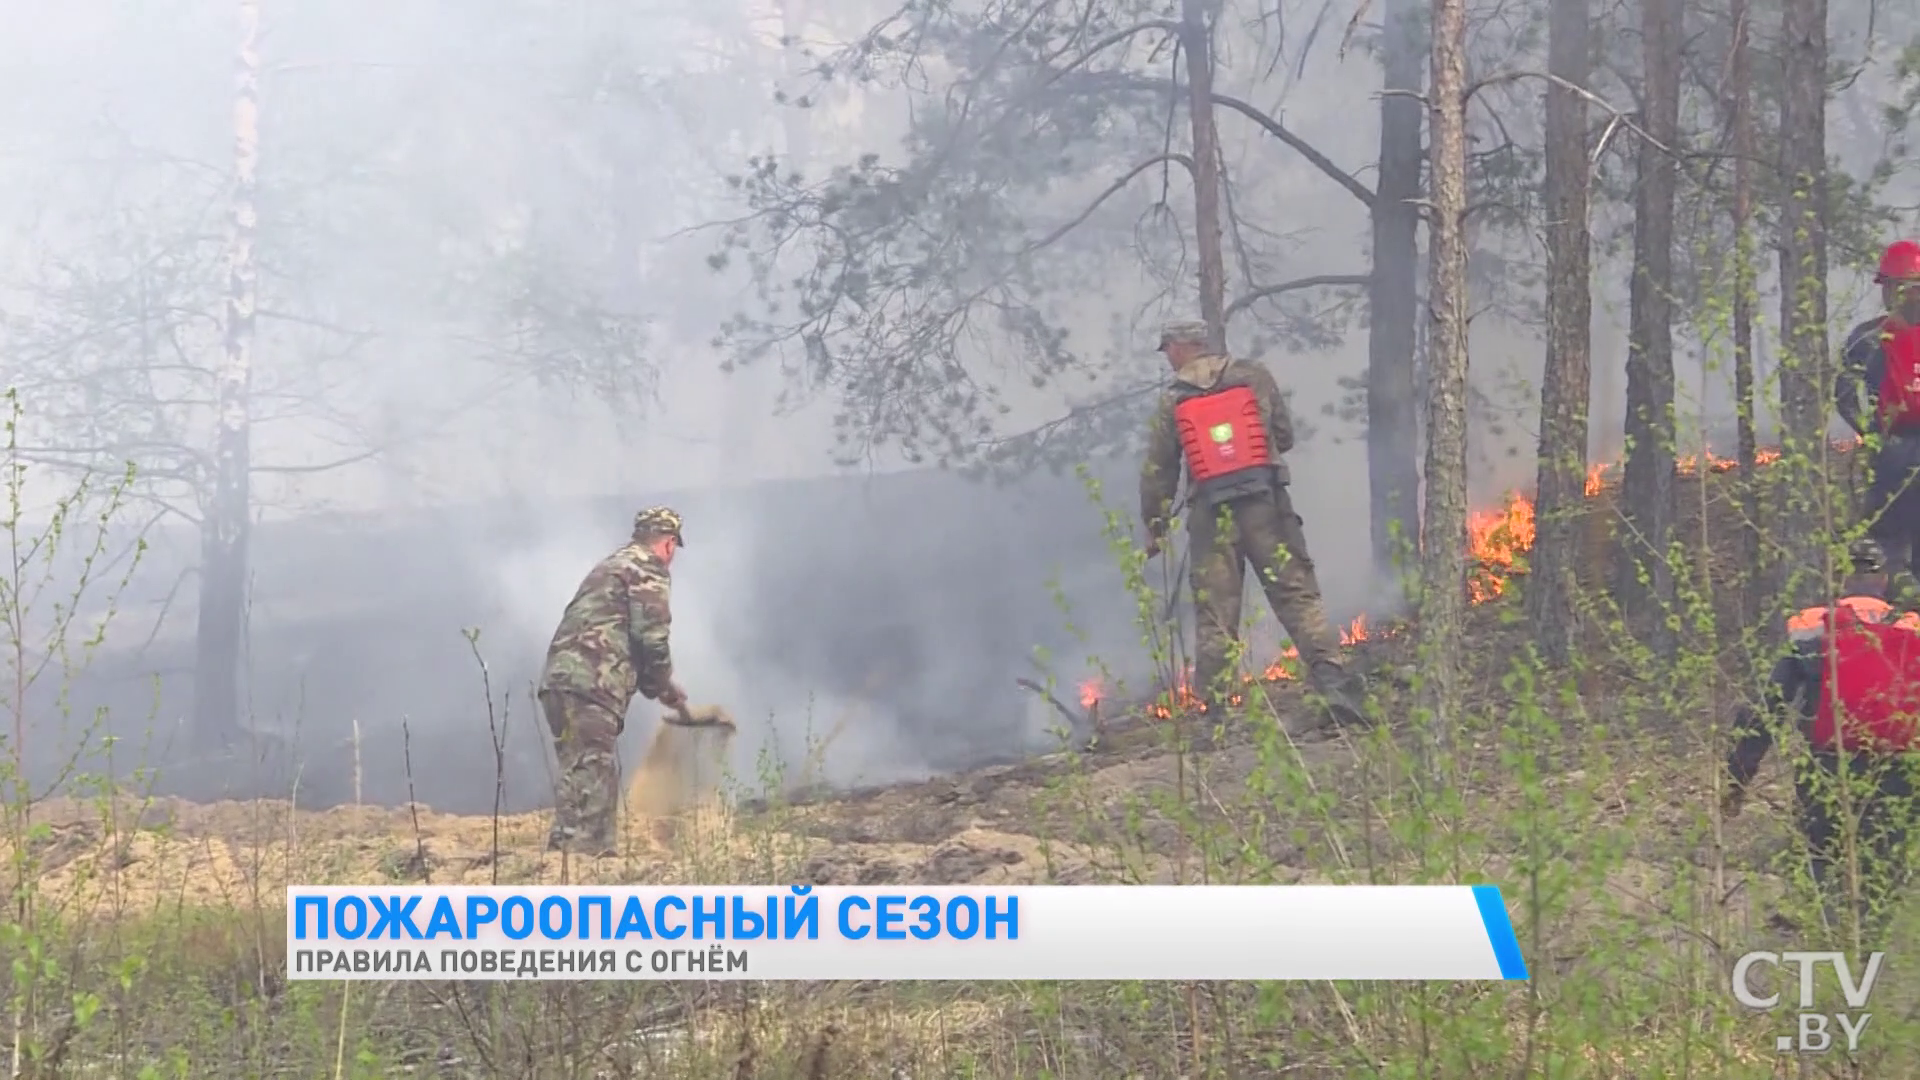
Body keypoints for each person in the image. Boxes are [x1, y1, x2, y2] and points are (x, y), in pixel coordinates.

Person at [1138, 319, 1367, 734]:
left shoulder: (1172, 400)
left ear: (1182, 347)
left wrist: (1155, 527)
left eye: (1167, 348)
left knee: (1215, 613)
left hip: (1212, 516)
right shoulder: (1254, 376)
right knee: (1296, 596)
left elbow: (1159, 471)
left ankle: (1215, 718)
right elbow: (1284, 435)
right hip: (1266, 504)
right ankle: (1335, 688)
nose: (1167, 357)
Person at [1723, 535, 1920, 931]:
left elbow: (1767, 708)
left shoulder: (1813, 629)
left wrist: (1736, 779)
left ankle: (1828, 944)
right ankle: (1871, 951)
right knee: (1886, 863)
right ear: (1883, 580)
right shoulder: (1911, 630)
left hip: (1828, 768)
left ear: (1841, 579)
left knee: (1823, 855)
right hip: (1900, 774)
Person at [538, 506, 689, 855]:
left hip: (559, 682)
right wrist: (664, 683)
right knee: (595, 771)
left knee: (580, 772)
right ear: (668, 544)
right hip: (594, 683)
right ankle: (585, 863)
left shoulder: (611, 565)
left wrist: (656, 687)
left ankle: (563, 856)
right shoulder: (646, 568)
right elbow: (651, 637)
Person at [1834, 239, 1920, 576]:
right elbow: (1843, 391)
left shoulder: (1868, 337)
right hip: (1891, 451)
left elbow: (1843, 393)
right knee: (1888, 542)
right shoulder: (1868, 337)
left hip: (1891, 449)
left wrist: (1869, 431)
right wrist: (1870, 432)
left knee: (1890, 543)